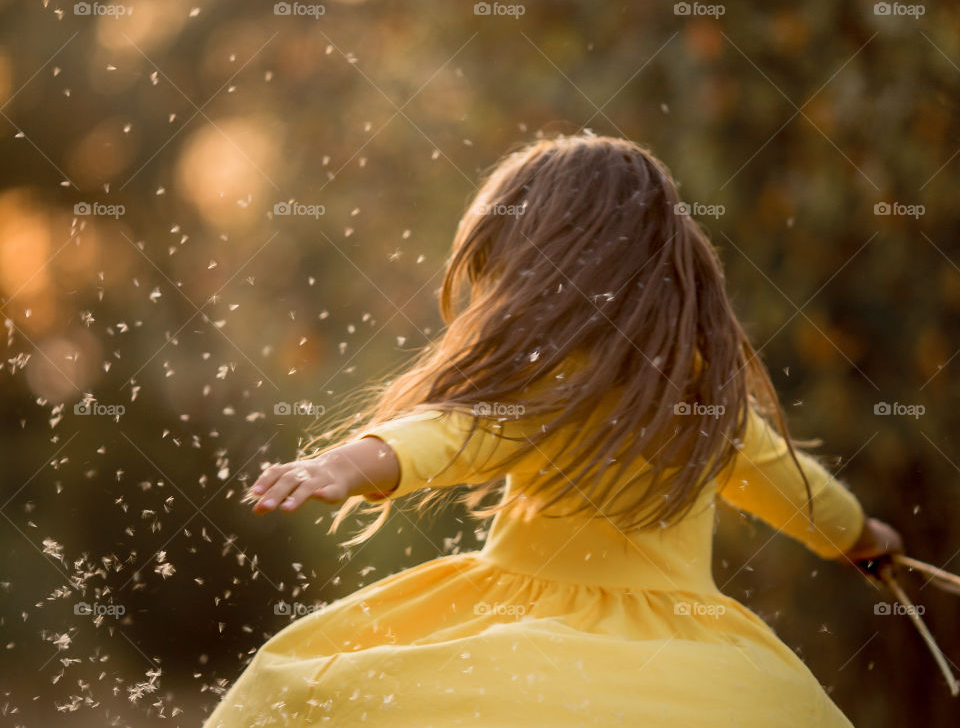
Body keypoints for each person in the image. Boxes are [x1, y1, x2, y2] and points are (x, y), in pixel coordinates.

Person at [204, 133, 902, 727]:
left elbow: (452, 434)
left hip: (523, 627)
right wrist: (864, 539)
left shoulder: (556, 384)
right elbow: (797, 490)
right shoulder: (709, 402)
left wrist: (353, 463)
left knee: (304, 686)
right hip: (688, 655)